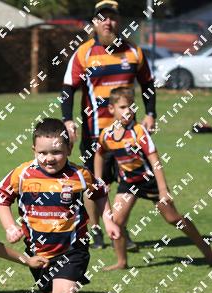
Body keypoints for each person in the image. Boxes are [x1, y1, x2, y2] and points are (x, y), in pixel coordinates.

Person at [0, 119, 120, 293]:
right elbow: (1, 197)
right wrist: (9, 227)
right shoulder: (23, 174)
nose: (49, 158)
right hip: (38, 253)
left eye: (56, 152)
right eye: (42, 152)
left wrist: (108, 220)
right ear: (33, 150)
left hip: (72, 248)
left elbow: (100, 192)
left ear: (69, 149)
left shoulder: (79, 174)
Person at [62, 0, 156, 250]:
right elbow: (68, 89)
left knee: (129, 182)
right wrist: (67, 120)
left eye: (112, 17)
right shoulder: (84, 53)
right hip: (95, 135)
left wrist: (151, 114)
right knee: (94, 184)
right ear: (94, 23)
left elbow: (148, 83)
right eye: (102, 17)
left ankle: (119, 228)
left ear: (119, 21)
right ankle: (95, 230)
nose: (108, 22)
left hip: (127, 136)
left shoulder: (133, 51)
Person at [97, 87, 212, 270]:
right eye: (122, 107)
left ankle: (206, 249)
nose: (128, 111)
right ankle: (121, 262)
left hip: (150, 181)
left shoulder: (139, 131)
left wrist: (163, 190)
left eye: (131, 106)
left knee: (173, 218)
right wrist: (99, 179)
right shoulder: (107, 134)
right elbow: (99, 153)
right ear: (111, 109)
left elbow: (155, 161)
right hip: (128, 182)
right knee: (117, 221)